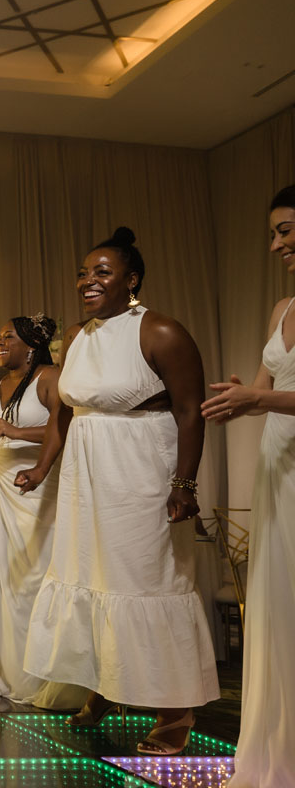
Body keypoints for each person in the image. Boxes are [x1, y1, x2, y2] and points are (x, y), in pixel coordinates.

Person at [16, 227, 219, 754]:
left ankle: (175, 708)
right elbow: (64, 413)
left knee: (146, 580)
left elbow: (190, 412)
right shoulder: (77, 336)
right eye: (83, 272)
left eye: (102, 272)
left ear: (132, 279)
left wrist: (184, 484)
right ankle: (108, 682)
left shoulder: (161, 331)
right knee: (92, 576)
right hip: (86, 478)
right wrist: (41, 470)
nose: (88, 280)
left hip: (140, 472)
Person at [201, 186, 295, 786]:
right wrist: (239, 400)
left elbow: (273, 395)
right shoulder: (282, 307)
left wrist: (259, 398)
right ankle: (278, 751)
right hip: (278, 464)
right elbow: (266, 387)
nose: (277, 244)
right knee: (278, 605)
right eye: (273, 234)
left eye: (286, 230)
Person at [0, 315, 84, 709]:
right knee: (5, 580)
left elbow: (67, 426)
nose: (1, 343)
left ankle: (40, 675)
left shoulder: (50, 377)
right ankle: (7, 673)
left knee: (34, 579)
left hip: (38, 487)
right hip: (3, 489)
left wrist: (17, 432)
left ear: (31, 345)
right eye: (1, 337)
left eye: (9, 337)